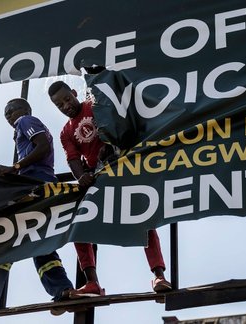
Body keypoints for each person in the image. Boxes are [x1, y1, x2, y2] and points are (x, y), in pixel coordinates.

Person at [48, 81, 173, 297]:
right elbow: (73, 158)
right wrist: (81, 177)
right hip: (99, 177)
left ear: (74, 93)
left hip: (123, 167)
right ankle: (92, 283)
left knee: (144, 220)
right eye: (59, 105)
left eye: (67, 99)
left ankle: (159, 275)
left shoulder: (92, 105)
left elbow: (117, 123)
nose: (65, 105)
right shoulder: (66, 132)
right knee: (78, 225)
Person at [0, 98, 75, 313]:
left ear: (25, 109)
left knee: (6, 240)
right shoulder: (24, 126)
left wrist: (15, 167)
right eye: (5, 113)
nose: (9, 115)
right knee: (39, 243)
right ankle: (63, 291)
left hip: (33, 187)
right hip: (39, 187)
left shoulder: (26, 121)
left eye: (11, 110)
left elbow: (43, 147)